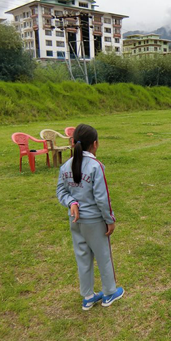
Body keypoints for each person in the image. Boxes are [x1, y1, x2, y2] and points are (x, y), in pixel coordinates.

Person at [56, 124, 124, 310]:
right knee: (103, 256)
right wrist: (109, 220)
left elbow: (61, 191)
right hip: (94, 222)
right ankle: (110, 293)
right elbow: (102, 198)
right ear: (95, 144)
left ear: (73, 142)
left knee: (83, 257)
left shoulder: (65, 166)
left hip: (76, 222)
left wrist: (71, 202)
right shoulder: (96, 166)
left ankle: (88, 296)